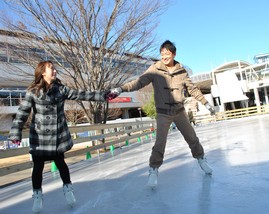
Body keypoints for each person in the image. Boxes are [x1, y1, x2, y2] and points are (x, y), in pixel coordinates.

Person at [107, 40, 215, 188]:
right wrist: (120, 89)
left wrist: (206, 103)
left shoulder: (181, 71)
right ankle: (153, 170)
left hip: (179, 111)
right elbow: (138, 82)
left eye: (167, 53)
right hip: (163, 113)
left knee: (192, 138)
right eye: (162, 54)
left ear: (174, 54)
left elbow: (193, 89)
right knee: (160, 143)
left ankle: (201, 160)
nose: (164, 57)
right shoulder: (155, 69)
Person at [8, 61, 110, 213]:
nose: (55, 71)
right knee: (38, 167)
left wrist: (103, 95)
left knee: (61, 163)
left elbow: (81, 94)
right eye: (52, 69)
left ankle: (68, 189)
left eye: (55, 69)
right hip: (40, 136)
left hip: (57, 134)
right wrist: (15, 132)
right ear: (43, 72)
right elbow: (23, 113)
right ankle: (37, 196)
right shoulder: (33, 92)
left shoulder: (61, 89)